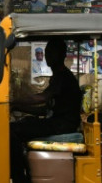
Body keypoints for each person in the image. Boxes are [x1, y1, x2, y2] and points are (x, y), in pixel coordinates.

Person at [9, 39, 82, 183]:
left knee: (12, 131)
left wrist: (14, 101)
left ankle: (19, 178)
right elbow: (44, 109)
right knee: (23, 124)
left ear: (61, 55)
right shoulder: (57, 76)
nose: (47, 55)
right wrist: (19, 107)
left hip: (62, 125)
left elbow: (42, 98)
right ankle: (26, 169)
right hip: (56, 122)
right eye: (46, 52)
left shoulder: (63, 77)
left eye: (51, 52)